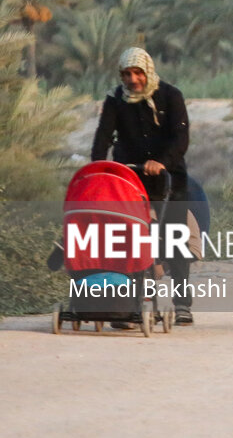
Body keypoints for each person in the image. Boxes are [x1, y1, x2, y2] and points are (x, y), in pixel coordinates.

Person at [91, 47, 193, 325]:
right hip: (130, 178)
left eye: (137, 73)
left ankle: (182, 302)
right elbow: (103, 136)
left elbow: (180, 137)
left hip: (168, 177)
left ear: (147, 71)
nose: (133, 80)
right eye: (127, 74)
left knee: (174, 238)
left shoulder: (171, 96)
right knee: (129, 240)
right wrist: (98, 168)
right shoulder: (116, 100)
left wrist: (161, 161)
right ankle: (129, 305)